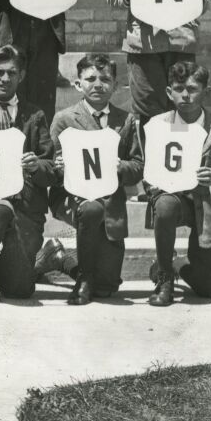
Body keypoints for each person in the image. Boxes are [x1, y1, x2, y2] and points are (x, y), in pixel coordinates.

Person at [141, 61, 211, 307]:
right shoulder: (157, 126)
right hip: (174, 199)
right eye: (178, 88)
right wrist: (157, 189)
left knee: (209, 288)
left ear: (206, 91)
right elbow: (148, 174)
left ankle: (178, 265)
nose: (185, 95)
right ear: (169, 92)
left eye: (192, 88)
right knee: (164, 206)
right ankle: (165, 279)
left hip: (208, 206)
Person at [0, 45, 55, 303]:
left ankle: (29, 261)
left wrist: (37, 165)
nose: (5, 79)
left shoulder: (35, 115)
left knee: (19, 289)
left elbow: (51, 168)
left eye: (12, 73)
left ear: (22, 75)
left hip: (27, 203)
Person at [49, 54, 139, 305]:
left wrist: (121, 167)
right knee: (90, 209)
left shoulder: (126, 120)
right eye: (90, 79)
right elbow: (51, 163)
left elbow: (138, 165)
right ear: (78, 84)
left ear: (116, 85)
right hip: (74, 197)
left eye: (105, 79)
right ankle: (84, 279)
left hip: (111, 201)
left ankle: (61, 261)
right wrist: (60, 168)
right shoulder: (64, 119)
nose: (98, 84)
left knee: (107, 288)